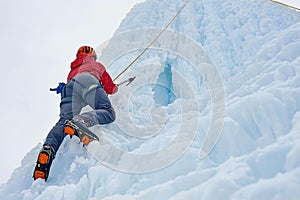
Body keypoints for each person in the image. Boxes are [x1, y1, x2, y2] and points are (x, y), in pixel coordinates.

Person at [33, 45, 118, 181]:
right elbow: (110, 88)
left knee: (63, 121)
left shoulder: (72, 70)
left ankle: (48, 149)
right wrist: (114, 88)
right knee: (108, 112)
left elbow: (77, 91)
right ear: (92, 55)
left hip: (69, 88)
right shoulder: (96, 65)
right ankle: (80, 121)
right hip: (88, 81)